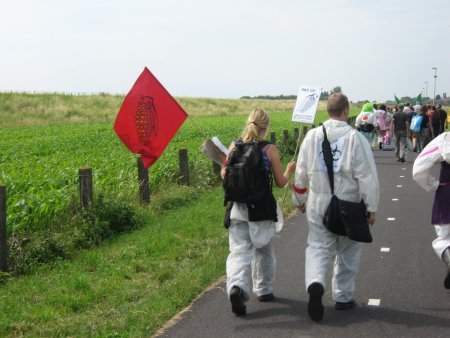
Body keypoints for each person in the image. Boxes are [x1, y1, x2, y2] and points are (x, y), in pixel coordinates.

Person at [292, 93, 379, 321]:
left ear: (327, 110)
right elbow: (367, 176)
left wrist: (299, 200)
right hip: (348, 202)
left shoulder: (311, 137)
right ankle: (342, 295)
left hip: (318, 201)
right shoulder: (356, 138)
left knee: (318, 247)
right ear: (346, 110)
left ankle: (315, 283)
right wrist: (371, 207)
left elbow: (300, 173)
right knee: (349, 250)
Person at [221, 108, 296, 316]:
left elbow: (224, 175)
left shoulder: (234, 145)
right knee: (263, 248)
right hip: (261, 208)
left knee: (239, 251)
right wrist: (289, 171)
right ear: (266, 127)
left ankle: (236, 286)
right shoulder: (269, 149)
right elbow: (281, 182)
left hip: (237, 208)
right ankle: (264, 289)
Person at [412, 132, 450, 289]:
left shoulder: (446, 139)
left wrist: (432, 185)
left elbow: (419, 169)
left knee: (444, 237)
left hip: (447, 191)